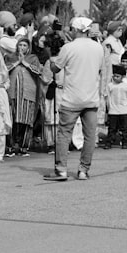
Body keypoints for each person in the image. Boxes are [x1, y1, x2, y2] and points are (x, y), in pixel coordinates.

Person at [45, 17, 104, 181]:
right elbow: (98, 69)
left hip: (72, 97)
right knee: (90, 135)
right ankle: (84, 169)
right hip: (91, 97)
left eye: (72, 28)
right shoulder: (98, 47)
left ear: (77, 29)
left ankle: (61, 169)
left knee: (64, 133)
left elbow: (56, 68)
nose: (70, 30)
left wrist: (51, 60)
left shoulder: (68, 47)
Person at [6, 36, 44, 157]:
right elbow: (4, 70)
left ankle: (23, 146)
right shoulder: (10, 57)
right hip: (13, 93)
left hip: (28, 94)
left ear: (28, 48)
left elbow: (38, 71)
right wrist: (18, 61)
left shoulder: (33, 58)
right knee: (12, 119)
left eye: (24, 45)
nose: (22, 48)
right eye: (20, 45)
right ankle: (11, 146)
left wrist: (25, 63)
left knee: (26, 120)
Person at [104, 64, 127, 149]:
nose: (115, 78)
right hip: (113, 110)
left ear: (123, 77)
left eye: (117, 76)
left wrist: (125, 106)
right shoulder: (110, 86)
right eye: (114, 76)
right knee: (112, 128)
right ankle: (109, 142)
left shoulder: (126, 86)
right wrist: (109, 108)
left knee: (124, 128)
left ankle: (125, 142)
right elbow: (108, 97)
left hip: (123, 110)